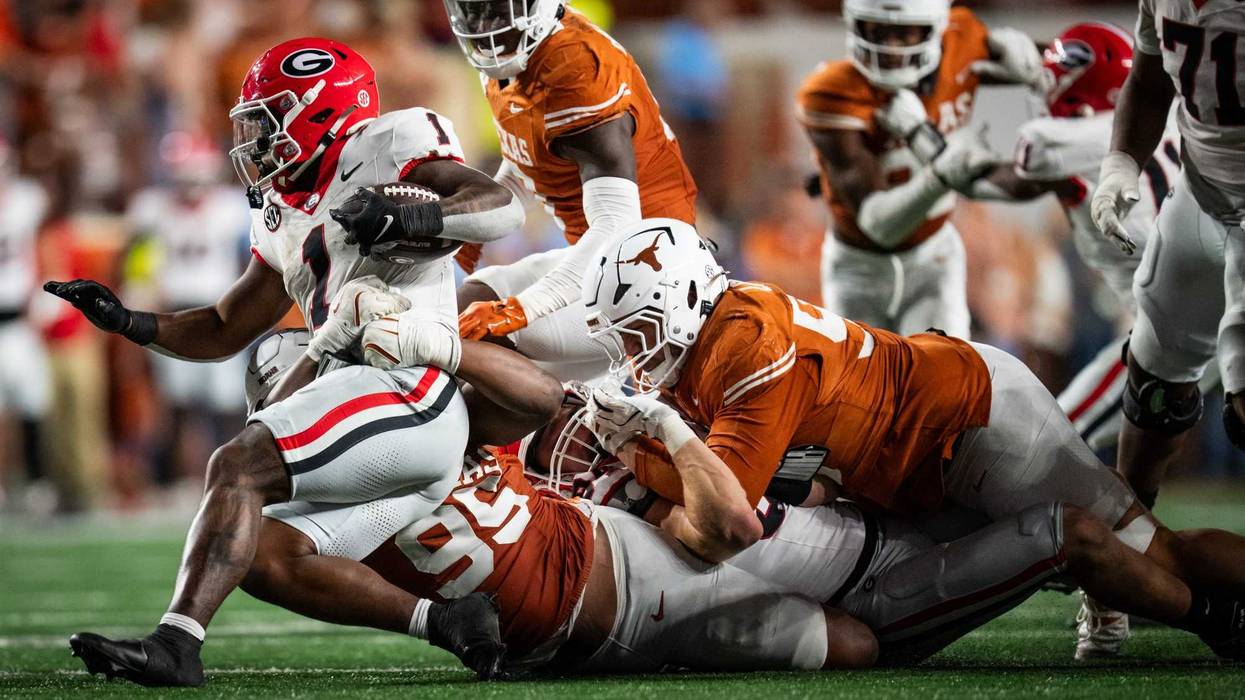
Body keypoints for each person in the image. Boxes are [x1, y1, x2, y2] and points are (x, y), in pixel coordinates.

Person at [47, 37, 523, 687]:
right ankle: (449, 622)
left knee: (239, 462)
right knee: (265, 555)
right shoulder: (282, 211)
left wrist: (410, 208)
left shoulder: (394, 142)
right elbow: (224, 325)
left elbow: (500, 209)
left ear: (321, 111)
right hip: (370, 407)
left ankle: (175, 646)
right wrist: (130, 321)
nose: (252, 139)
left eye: (268, 120)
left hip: (411, 385)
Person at [579, 218, 1245, 660]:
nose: (637, 358)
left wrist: (636, 450)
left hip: (971, 421)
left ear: (688, 295)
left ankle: (1216, 618)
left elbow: (726, 512)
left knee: (1153, 551)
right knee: (1066, 553)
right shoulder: (714, 340)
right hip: (910, 464)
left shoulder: (745, 347)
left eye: (641, 331)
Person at [237, 327, 880, 676]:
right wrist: (430, 623)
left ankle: (810, 478)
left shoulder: (420, 407)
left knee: (850, 615)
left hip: (619, 543)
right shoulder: (305, 512)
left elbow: (538, 394)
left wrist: (439, 344)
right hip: (566, 641)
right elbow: (263, 560)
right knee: (851, 644)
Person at [957, 22, 1184, 658]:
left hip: (1163, 331)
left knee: (1063, 447)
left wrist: (944, 161)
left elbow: (1024, 162)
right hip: (1207, 318)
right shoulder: (1172, 120)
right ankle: (1118, 595)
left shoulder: (1069, 138)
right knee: (1125, 478)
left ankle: (1112, 594)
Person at [435, 0, 698, 381]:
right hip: (596, 261)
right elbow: (530, 158)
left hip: (654, 277)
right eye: (473, 9)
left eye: (495, 9)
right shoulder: (516, 54)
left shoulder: (579, 70)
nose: (482, 23)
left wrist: (521, 309)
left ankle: (527, 432)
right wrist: (467, 228)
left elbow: (616, 231)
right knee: (456, 307)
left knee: (466, 340)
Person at [1091, 0, 1245, 567]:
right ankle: (1121, 561)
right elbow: (1150, 80)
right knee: (1153, 388)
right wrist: (1119, 167)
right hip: (1203, 193)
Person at [796, 0, 1043, 337]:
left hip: (932, 259)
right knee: (860, 387)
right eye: (878, 30)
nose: (891, 47)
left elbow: (1064, 64)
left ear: (936, 28)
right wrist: (939, 169)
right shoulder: (832, 92)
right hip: (859, 268)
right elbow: (878, 224)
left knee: (943, 381)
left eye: (904, 32)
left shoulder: (962, 38)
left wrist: (1041, 62)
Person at [125, 132, 252, 486]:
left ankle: (229, 475)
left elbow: (251, 262)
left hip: (220, 313)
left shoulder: (232, 208)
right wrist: (140, 294)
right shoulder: (152, 209)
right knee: (178, 401)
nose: (190, 185)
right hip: (173, 314)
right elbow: (137, 264)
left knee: (227, 401)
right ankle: (175, 479)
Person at [0, 137, 52, 505]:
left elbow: (44, 243)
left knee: (33, 406)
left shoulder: (26, 200)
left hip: (19, 320)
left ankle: (36, 482)